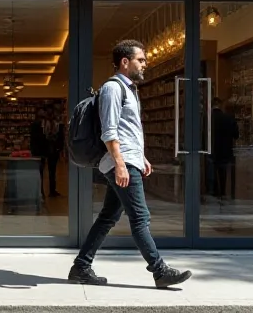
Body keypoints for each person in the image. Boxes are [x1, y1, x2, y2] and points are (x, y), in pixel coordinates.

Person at [69, 39, 192, 289]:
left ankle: (81, 266)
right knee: (140, 217)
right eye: (141, 60)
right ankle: (159, 271)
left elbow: (129, 130)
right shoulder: (113, 89)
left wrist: (141, 156)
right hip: (119, 162)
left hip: (127, 159)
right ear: (125, 62)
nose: (145, 64)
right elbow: (109, 130)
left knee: (108, 217)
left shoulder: (130, 90)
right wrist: (121, 164)